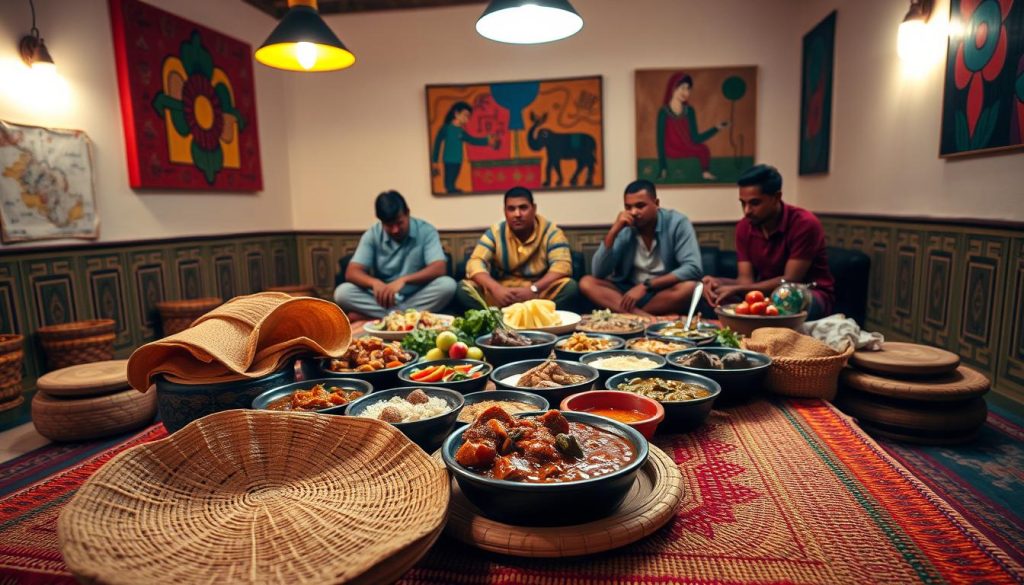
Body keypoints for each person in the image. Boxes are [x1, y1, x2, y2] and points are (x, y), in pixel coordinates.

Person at [702, 164, 835, 319]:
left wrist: (737, 289)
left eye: (755, 203)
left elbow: (791, 280)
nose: (747, 211)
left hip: (806, 294)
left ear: (776, 197)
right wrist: (718, 282)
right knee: (714, 297)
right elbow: (746, 280)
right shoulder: (744, 227)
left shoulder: (804, 223)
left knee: (787, 298)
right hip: (765, 296)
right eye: (743, 203)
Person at [580, 180, 703, 316]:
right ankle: (645, 317)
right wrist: (613, 231)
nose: (633, 212)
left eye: (640, 206)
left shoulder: (677, 223)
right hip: (627, 291)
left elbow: (693, 267)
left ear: (656, 204)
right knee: (587, 282)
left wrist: (647, 285)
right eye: (628, 207)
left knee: (690, 287)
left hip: (661, 291)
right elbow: (598, 272)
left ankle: (631, 316)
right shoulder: (625, 227)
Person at [334, 191, 456, 318]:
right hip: (384, 300)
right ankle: (406, 316)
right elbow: (352, 272)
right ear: (380, 220)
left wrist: (404, 280)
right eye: (389, 225)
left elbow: (439, 268)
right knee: (342, 292)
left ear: (407, 212)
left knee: (447, 285)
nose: (395, 230)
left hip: (417, 294)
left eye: (399, 223)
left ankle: (377, 316)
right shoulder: (372, 234)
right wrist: (375, 283)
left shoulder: (426, 231)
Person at [458, 186, 578, 309]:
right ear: (505, 212)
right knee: (464, 288)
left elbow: (562, 266)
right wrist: (496, 288)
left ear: (534, 209)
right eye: (511, 209)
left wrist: (534, 289)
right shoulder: (496, 232)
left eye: (523, 208)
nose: (517, 214)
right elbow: (475, 262)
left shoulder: (551, 232)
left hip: (538, 293)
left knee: (570, 287)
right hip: (502, 293)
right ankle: (495, 322)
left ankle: (539, 319)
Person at [657, 72, 729, 182]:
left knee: (703, 149)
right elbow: (660, 141)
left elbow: (695, 138)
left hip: (687, 147)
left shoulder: (689, 111)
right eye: (683, 88)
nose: (686, 92)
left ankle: (705, 173)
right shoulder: (663, 112)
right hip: (671, 150)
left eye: (688, 89)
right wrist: (663, 168)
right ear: (673, 88)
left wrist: (716, 128)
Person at [431, 101, 493, 194]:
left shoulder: (461, 131)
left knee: (454, 177)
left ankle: (452, 189)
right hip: (448, 159)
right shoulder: (446, 128)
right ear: (456, 114)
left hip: (458, 159)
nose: (466, 119)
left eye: (468, 116)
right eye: (465, 115)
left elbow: (472, 140)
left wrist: (486, 140)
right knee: (449, 181)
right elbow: (437, 144)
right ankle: (450, 189)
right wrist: (435, 161)